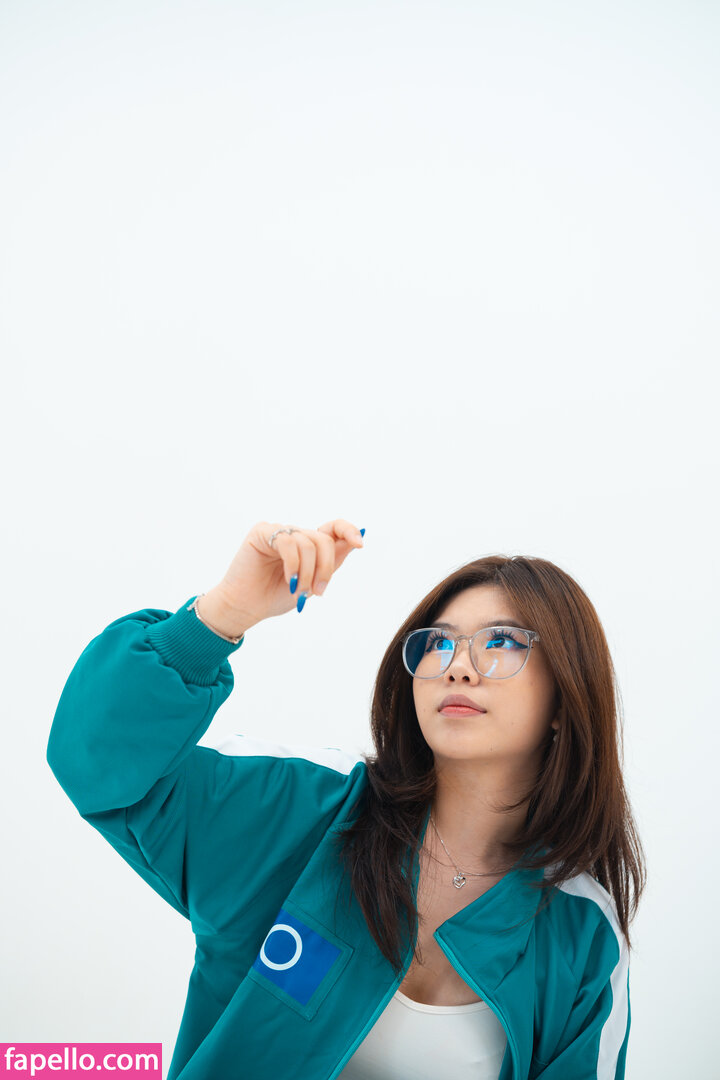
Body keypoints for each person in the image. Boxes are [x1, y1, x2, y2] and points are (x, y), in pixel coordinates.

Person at [47, 518, 646, 1080]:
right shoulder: (306, 810)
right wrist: (221, 614)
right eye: (438, 643)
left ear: (565, 699)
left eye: (504, 642)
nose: (459, 667)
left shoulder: (585, 936)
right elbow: (98, 758)